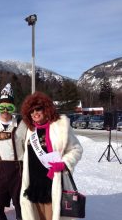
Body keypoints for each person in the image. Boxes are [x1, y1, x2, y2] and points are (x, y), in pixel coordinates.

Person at [19, 92, 83, 220]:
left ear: (46, 109)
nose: (35, 113)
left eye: (38, 109)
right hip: (34, 184)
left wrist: (64, 163)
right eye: (31, 111)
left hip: (52, 184)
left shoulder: (60, 126)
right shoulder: (31, 130)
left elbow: (77, 149)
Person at [0, 83, 24, 220]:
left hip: (19, 169)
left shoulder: (21, 124)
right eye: (2, 107)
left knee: (20, 206)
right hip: (1, 169)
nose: (5, 110)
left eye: (10, 107)